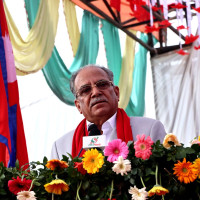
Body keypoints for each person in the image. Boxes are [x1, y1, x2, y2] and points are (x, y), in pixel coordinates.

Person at [51, 64, 166, 159]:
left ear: (116, 93)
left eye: (102, 84)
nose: (96, 92)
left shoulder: (150, 130)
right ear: (78, 106)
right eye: (86, 90)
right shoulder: (61, 147)